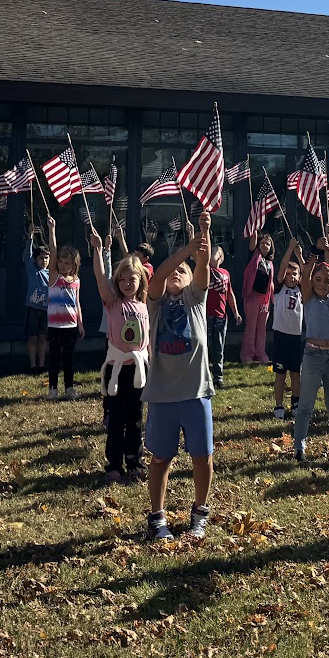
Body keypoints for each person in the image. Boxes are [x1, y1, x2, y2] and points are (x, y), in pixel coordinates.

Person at [142, 210, 216, 543]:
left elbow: (203, 264)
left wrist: (204, 230)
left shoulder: (196, 298)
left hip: (196, 390)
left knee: (202, 456)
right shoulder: (155, 303)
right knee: (161, 458)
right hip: (161, 394)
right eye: (174, 269)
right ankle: (157, 517)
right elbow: (158, 275)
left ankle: (199, 513)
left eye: (182, 272)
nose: (177, 273)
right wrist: (185, 251)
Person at [90, 227, 149, 483]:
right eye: (123, 279)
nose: (127, 284)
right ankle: (114, 465)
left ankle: (134, 462)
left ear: (140, 282)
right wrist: (98, 250)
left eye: (132, 280)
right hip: (117, 369)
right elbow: (100, 276)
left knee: (135, 418)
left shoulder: (145, 303)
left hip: (138, 371)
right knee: (116, 419)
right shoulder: (112, 302)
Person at [292, 236, 329, 463]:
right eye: (318, 279)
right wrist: (315, 258)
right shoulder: (308, 298)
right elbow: (305, 278)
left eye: (326, 280)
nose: (321, 284)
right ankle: (299, 448)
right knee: (306, 404)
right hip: (313, 355)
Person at [41, 217, 85, 400]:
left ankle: (69, 388)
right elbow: (52, 250)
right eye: (60, 262)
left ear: (74, 265)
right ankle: (53, 389)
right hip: (54, 326)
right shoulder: (53, 277)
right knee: (54, 359)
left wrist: (80, 324)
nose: (62, 265)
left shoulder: (76, 281)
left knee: (68, 359)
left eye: (67, 263)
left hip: (70, 326)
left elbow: (77, 303)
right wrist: (52, 229)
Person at [269, 240, 305, 421]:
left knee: (296, 374)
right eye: (289, 274)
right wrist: (289, 248)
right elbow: (282, 268)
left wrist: (299, 256)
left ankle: (296, 402)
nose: (291, 277)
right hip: (281, 336)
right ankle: (279, 404)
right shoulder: (279, 289)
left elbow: (307, 274)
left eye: (294, 274)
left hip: (296, 337)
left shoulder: (302, 290)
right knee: (280, 375)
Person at [203, 245, 240, 389]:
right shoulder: (205, 270)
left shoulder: (225, 273)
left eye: (216, 253)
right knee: (205, 345)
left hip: (221, 315)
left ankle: (218, 377)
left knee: (218, 346)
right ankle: (204, 375)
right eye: (211, 252)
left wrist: (235, 313)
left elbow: (230, 294)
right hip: (206, 315)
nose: (213, 255)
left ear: (221, 257)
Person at [239, 233, 276, 364]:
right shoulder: (255, 257)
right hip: (252, 296)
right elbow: (253, 242)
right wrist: (254, 230)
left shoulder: (270, 263)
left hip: (264, 299)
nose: (265, 246)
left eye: (268, 244)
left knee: (262, 328)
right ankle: (247, 354)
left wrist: (273, 300)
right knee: (251, 326)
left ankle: (260, 353)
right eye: (262, 243)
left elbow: (270, 282)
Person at [24, 227, 51, 373]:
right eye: (41, 258)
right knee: (32, 337)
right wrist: (30, 238)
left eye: (46, 258)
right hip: (33, 308)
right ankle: (32, 365)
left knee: (43, 338)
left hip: (46, 310)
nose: (44, 260)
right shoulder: (32, 269)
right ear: (36, 259)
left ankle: (41, 365)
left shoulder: (51, 272)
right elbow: (27, 255)